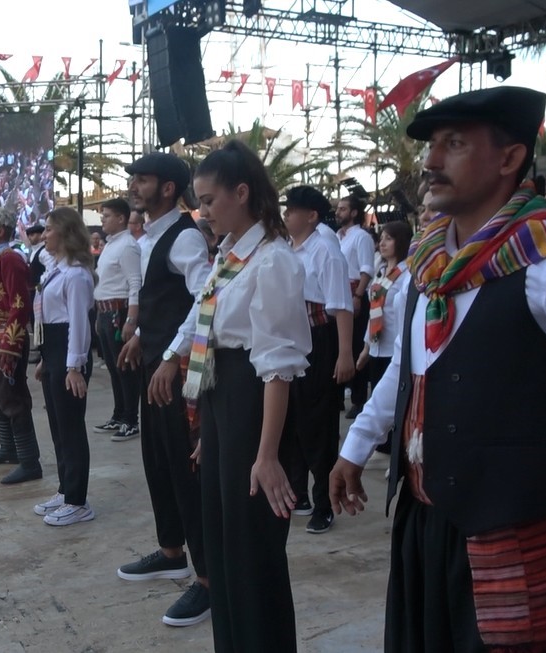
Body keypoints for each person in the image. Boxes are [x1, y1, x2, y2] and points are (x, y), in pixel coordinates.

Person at [328, 87, 546, 651]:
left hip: (517, 534)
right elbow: (412, 369)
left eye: (455, 144)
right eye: (432, 146)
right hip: (426, 525)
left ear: (510, 159)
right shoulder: (431, 259)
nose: (430, 161)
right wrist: (357, 443)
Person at [176, 141, 311, 652]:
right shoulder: (231, 256)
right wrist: (212, 431)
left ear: (242, 192)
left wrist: (267, 454)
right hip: (223, 405)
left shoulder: (272, 260)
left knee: (252, 556)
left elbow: (278, 368)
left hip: (253, 404)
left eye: (210, 200)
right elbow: (208, 339)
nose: (203, 211)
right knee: (224, 549)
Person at [115, 152, 214, 628]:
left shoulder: (184, 237)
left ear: (169, 188)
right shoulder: (153, 236)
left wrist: (173, 356)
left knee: (184, 471)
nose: (134, 185)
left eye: (143, 179)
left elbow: (206, 298)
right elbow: (164, 300)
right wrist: (140, 337)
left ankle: (210, 580)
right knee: (157, 461)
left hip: (175, 373)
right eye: (133, 178)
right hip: (155, 363)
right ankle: (171, 550)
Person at [279, 185, 355, 535]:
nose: (286, 216)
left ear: (310, 216)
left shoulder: (326, 250)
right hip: (292, 339)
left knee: (317, 424)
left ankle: (324, 503)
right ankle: (298, 493)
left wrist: (344, 354)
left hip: (319, 340)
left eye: (292, 210)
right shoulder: (288, 249)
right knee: (290, 418)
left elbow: (340, 306)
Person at [32, 207, 97, 526]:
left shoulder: (76, 275)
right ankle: (65, 487)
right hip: (55, 350)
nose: (43, 235)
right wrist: (47, 358)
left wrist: (74, 367)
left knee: (71, 428)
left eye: (48, 229)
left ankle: (78, 500)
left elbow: (79, 324)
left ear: (65, 232)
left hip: (69, 354)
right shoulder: (57, 269)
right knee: (58, 426)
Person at [0, 204, 43, 485]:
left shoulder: (10, 259)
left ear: (0, 231)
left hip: (4, 334)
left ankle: (29, 461)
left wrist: (10, 343)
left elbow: (19, 304)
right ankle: (9, 448)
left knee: (12, 395)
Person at [357, 220, 413, 456]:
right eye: (382, 238)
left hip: (394, 347)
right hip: (378, 346)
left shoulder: (406, 273)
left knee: (397, 400)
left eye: (389, 238)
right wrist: (366, 347)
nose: (383, 242)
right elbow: (373, 313)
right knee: (378, 396)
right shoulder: (381, 271)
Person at [92, 198, 143, 442]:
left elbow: (135, 283)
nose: (102, 220)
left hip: (119, 313)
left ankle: (131, 419)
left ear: (121, 218)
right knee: (113, 368)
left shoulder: (128, 246)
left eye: (107, 215)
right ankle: (119, 414)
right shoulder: (111, 245)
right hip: (105, 312)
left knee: (125, 368)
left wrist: (131, 319)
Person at [336, 196, 375, 417]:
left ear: (353, 213)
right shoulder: (337, 237)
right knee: (340, 344)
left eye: (343, 209)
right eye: (338, 208)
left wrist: (358, 296)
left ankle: (359, 399)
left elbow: (366, 268)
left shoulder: (361, 237)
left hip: (354, 293)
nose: (338, 212)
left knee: (357, 344)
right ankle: (339, 395)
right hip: (340, 293)